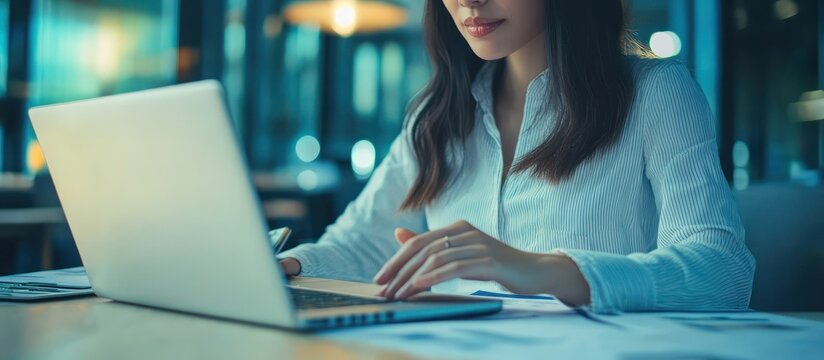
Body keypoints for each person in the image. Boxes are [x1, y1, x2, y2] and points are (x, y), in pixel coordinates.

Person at [278, 0, 755, 313]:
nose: (469, 0)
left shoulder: (654, 94)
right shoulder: (436, 115)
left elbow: (723, 270)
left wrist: (539, 268)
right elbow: (363, 243)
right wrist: (285, 266)